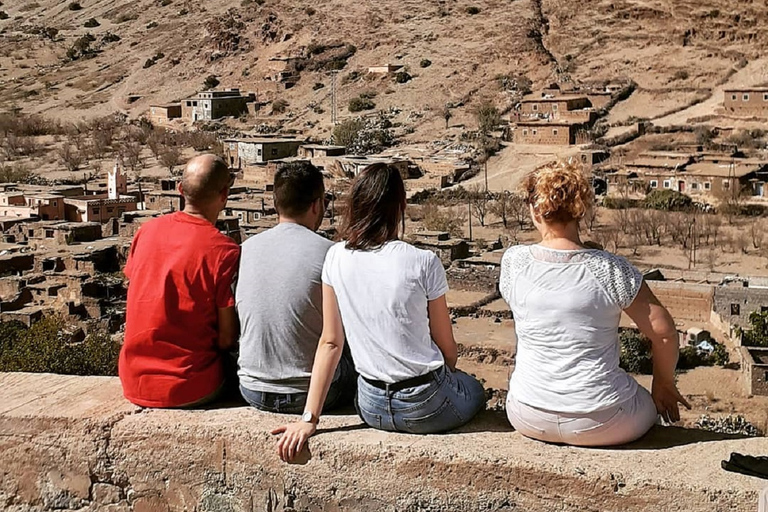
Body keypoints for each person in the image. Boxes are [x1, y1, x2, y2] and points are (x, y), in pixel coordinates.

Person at [272, 163, 486, 461]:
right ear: (400, 206)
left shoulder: (336, 257)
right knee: (475, 389)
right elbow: (447, 350)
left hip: (371, 406)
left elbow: (331, 343)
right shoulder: (424, 261)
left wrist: (309, 419)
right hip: (424, 404)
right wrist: (448, 378)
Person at [500, 160, 690, 447]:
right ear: (582, 209)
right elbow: (662, 331)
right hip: (602, 420)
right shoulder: (611, 270)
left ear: (534, 209)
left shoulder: (514, 262)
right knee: (640, 399)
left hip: (527, 413)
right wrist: (663, 383)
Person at [119, 154, 240, 408]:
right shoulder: (224, 251)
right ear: (224, 195)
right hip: (190, 384)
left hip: (133, 381)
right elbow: (227, 339)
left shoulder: (146, 232)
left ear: (180, 190)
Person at [237, 161, 356, 413]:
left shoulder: (244, 250)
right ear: (317, 205)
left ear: (275, 204)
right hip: (317, 392)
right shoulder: (332, 254)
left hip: (253, 389)